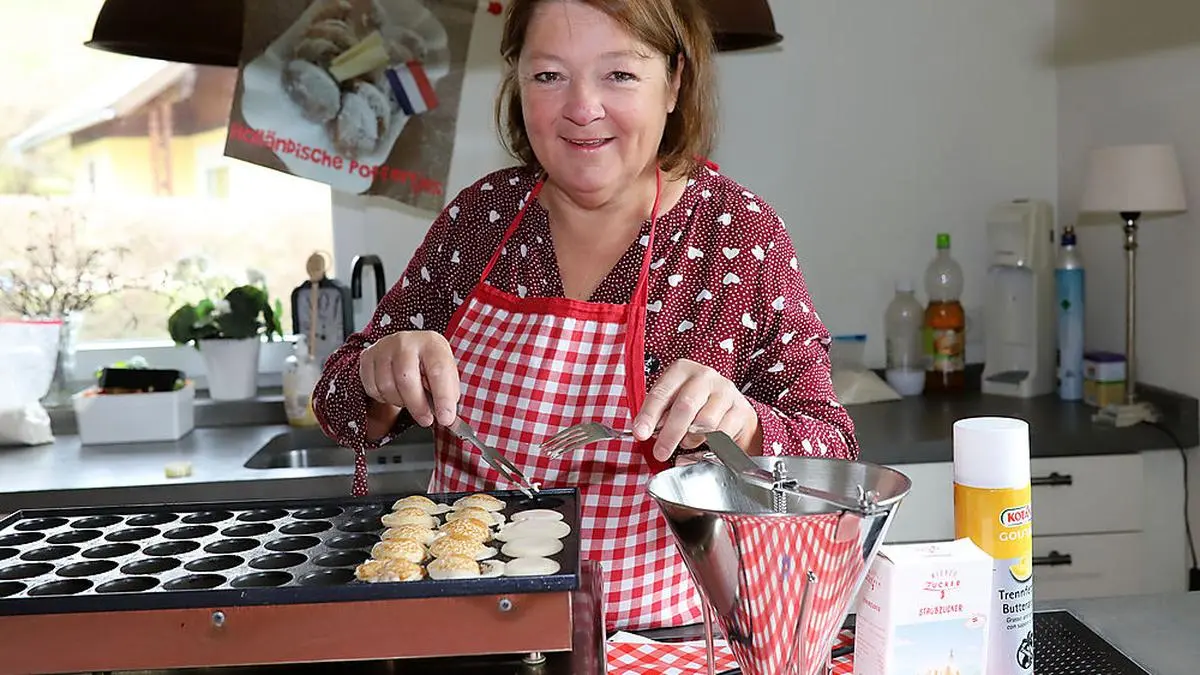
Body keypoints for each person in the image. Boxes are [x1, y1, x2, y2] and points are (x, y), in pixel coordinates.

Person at [313, 0, 859, 632]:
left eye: (619, 75)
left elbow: (834, 459)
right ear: (517, 81)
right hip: (470, 633)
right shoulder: (482, 220)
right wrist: (378, 376)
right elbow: (337, 406)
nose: (581, 107)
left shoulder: (734, 236)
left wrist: (746, 431)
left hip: (660, 642)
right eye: (549, 75)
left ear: (675, 82)